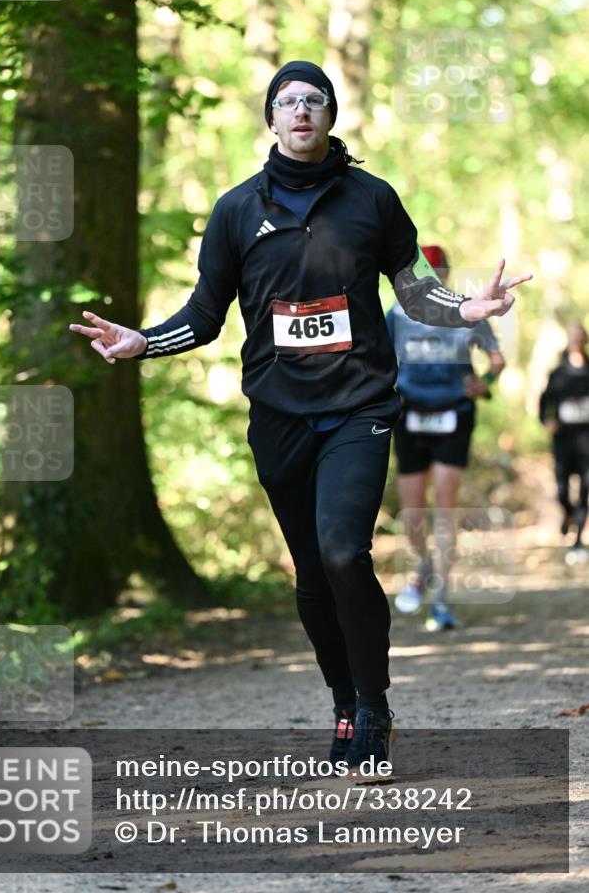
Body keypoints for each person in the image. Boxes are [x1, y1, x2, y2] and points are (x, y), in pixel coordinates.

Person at [69, 61, 532, 777]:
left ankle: (374, 707)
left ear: (330, 114)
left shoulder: (371, 199)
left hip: (358, 408)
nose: (300, 111)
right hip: (279, 414)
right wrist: (140, 342)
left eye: (313, 100)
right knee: (312, 573)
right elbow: (203, 316)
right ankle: (342, 701)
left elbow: (414, 293)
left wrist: (467, 310)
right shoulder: (234, 211)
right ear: (271, 118)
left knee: (344, 553)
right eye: (287, 102)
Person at [386, 245, 505, 631]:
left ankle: (440, 596)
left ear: (448, 275)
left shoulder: (466, 311)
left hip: (454, 414)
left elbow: (497, 360)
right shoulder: (398, 315)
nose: (434, 278)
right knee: (414, 512)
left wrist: (482, 384)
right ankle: (423, 566)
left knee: (445, 504)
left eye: (439, 272)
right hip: (409, 415)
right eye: (427, 272)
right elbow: (378, 360)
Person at [539, 322, 589, 553]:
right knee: (562, 489)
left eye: (580, 335)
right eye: (572, 335)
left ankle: (577, 539)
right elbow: (546, 402)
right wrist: (548, 420)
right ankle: (568, 513)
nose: (576, 339)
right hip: (563, 439)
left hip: (586, 439)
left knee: (585, 489)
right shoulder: (557, 373)